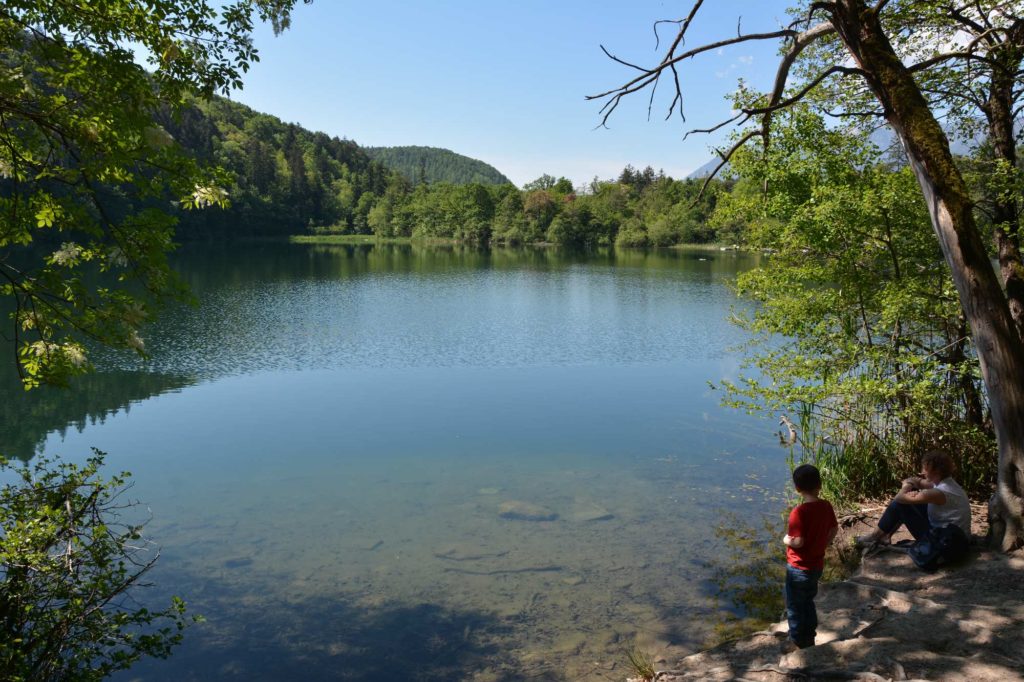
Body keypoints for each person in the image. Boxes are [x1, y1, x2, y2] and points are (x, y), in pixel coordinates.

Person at [856, 448, 972, 547]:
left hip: (945, 543)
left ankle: (875, 536)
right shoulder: (946, 483)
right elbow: (917, 481)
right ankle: (885, 536)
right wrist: (911, 487)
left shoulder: (939, 492)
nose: (922, 472)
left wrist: (906, 487)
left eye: (925, 469)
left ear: (936, 471)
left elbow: (899, 498)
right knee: (908, 498)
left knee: (900, 504)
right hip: (952, 536)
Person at [782, 463, 838, 651]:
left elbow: (798, 542)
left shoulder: (799, 512)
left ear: (797, 488)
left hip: (798, 568)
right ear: (820, 485)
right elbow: (834, 529)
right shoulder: (826, 506)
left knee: (795, 606)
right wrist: (825, 543)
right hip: (816, 566)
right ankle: (810, 636)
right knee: (808, 601)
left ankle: (798, 641)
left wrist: (786, 539)